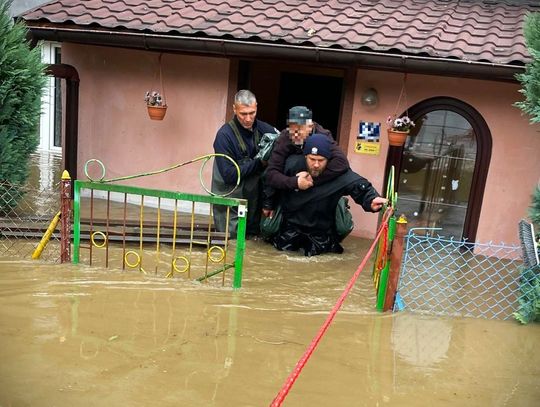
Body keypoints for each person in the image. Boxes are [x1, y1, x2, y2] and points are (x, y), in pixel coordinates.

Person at [271, 134, 387, 256]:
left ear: (329, 159)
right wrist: (269, 204)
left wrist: (371, 199)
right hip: (290, 229)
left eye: (321, 160)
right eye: (312, 159)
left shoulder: (339, 173)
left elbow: (358, 185)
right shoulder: (292, 165)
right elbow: (271, 179)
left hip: (321, 232)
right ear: (305, 156)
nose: (316, 165)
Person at [211, 90, 278, 237]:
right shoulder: (224, 136)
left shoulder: (265, 130)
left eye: (252, 113)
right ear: (234, 109)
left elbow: (283, 145)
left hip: (255, 199)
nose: (248, 119)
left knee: (255, 238)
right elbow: (229, 175)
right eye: (243, 114)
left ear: (256, 107)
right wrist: (260, 163)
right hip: (230, 197)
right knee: (231, 240)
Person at [263, 106, 349, 217]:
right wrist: (295, 182)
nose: (295, 133)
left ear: (310, 126)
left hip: (318, 189)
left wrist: (310, 177)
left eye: (300, 129)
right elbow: (271, 173)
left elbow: (342, 163)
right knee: (291, 162)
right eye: (292, 128)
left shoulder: (323, 135)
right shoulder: (285, 136)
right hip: (290, 191)